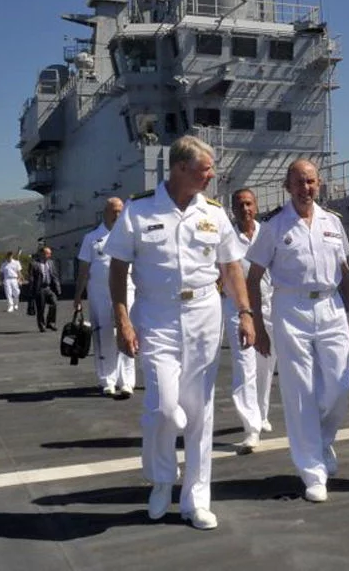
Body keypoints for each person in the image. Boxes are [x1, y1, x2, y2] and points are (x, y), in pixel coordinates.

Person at [104, 135, 254, 531]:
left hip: (204, 313)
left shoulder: (215, 213)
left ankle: (196, 498)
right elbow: (118, 268)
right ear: (181, 168)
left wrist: (245, 312)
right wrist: (123, 320)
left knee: (200, 410)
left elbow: (232, 267)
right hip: (155, 314)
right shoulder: (138, 210)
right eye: (206, 169)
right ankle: (161, 480)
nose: (211, 175)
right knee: (164, 407)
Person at [246, 159, 349, 504]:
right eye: (299, 182)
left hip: (331, 307)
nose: (305, 188)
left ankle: (324, 441)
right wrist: (256, 323)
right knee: (300, 391)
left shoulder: (332, 223)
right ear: (288, 186)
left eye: (311, 181)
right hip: (290, 308)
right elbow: (253, 279)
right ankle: (312, 469)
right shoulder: (273, 227)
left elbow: (346, 271)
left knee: (340, 385)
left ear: (319, 184)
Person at [222, 188, 278, 451]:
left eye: (248, 204)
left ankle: (262, 413)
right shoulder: (224, 236)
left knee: (266, 362)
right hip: (237, 307)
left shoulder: (268, 233)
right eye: (239, 204)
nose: (244, 209)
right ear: (232, 209)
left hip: (269, 304)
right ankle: (251, 428)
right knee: (245, 366)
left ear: (255, 206)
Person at [74, 197, 136, 398]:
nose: (117, 215)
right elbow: (83, 270)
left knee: (127, 335)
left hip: (127, 293)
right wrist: (77, 298)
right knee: (104, 337)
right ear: (105, 212)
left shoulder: (130, 236)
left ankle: (126, 381)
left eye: (120, 211)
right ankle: (107, 380)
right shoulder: (92, 238)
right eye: (113, 211)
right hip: (100, 294)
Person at [29, 246, 61, 332]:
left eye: (50, 253)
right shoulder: (34, 264)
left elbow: (55, 276)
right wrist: (31, 291)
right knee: (41, 308)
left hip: (48, 288)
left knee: (54, 303)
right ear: (42, 254)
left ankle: (50, 323)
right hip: (39, 289)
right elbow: (31, 278)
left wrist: (58, 288)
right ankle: (41, 325)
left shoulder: (51, 263)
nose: (50, 255)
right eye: (48, 253)